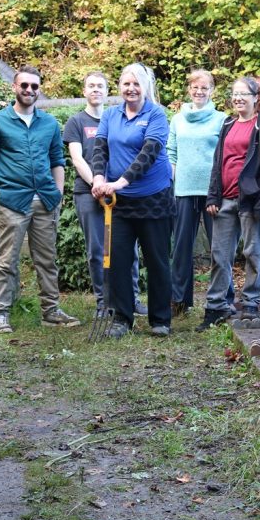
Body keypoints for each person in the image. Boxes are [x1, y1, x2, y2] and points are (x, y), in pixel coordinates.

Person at [0, 65, 80, 333]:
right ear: (14, 87)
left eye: (34, 86)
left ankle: (51, 311)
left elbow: (58, 160)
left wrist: (57, 194)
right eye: (24, 85)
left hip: (45, 201)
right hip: (12, 201)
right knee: (6, 260)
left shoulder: (49, 123)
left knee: (47, 259)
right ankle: (0, 313)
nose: (29, 90)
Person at [91, 63, 174, 338]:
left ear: (145, 87)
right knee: (117, 260)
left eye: (136, 83)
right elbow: (101, 148)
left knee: (157, 260)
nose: (131, 88)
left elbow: (148, 154)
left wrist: (120, 182)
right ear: (120, 87)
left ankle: (160, 320)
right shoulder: (111, 115)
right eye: (126, 83)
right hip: (120, 203)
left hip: (154, 199)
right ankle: (122, 319)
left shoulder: (156, 115)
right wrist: (99, 178)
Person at [198, 76, 260, 331]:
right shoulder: (228, 123)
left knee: (253, 253)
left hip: (251, 202)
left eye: (244, 93)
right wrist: (213, 196)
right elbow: (218, 162)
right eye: (235, 93)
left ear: (257, 98)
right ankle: (217, 306)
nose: (238, 98)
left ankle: (251, 304)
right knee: (219, 255)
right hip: (225, 199)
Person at [63, 71, 145, 317]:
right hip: (89, 193)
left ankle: (132, 299)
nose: (96, 89)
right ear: (84, 91)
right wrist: (96, 186)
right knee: (97, 250)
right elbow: (77, 159)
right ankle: (104, 302)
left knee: (128, 249)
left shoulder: (117, 119)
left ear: (108, 91)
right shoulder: (76, 122)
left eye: (101, 86)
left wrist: (114, 185)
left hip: (120, 192)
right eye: (91, 86)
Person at [167, 69, 230, 316]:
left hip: (213, 193)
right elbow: (171, 153)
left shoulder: (222, 119)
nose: (199, 91)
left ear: (212, 91)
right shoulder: (177, 119)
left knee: (219, 248)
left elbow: (226, 156)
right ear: (189, 90)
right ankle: (179, 300)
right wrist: (172, 184)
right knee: (181, 247)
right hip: (183, 191)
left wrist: (220, 190)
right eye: (195, 87)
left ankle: (224, 299)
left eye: (204, 88)